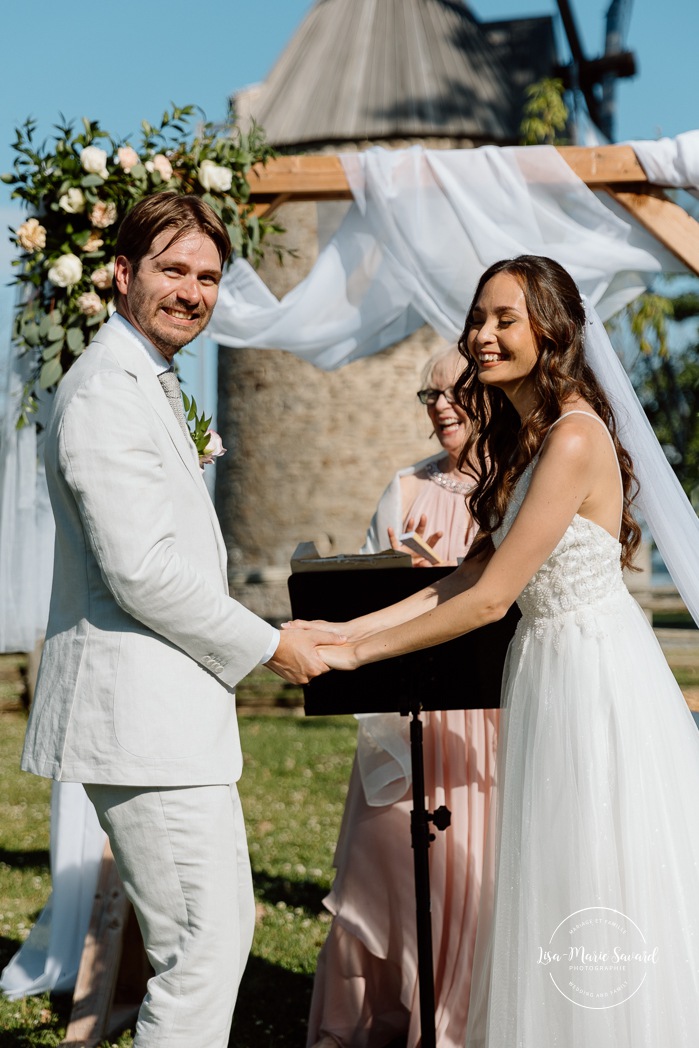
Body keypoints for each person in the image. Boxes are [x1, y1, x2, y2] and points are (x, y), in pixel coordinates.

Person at [289, 256, 699, 1046]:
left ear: (551, 329)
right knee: (548, 871)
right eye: (477, 318)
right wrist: (350, 630)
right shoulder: (530, 437)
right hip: (547, 670)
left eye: (503, 319)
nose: (481, 335)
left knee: (592, 868)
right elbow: (466, 573)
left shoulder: (574, 438)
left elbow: (487, 598)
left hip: (590, 676)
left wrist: (354, 660)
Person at [19, 192, 341, 1048]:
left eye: (207, 276)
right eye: (172, 270)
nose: (192, 291)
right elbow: (141, 573)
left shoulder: (149, 384)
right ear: (122, 273)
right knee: (202, 947)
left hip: (171, 719)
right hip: (139, 718)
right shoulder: (103, 395)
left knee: (215, 932)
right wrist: (270, 644)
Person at [307, 346, 497, 1048]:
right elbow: (360, 592)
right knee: (384, 862)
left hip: (485, 727)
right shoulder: (405, 488)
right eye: (427, 397)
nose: (439, 406)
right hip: (402, 716)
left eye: (453, 393)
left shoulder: (513, 490)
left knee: (472, 880)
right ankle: (376, 1023)